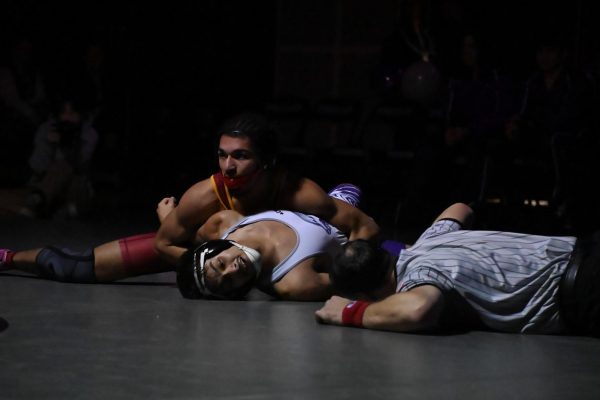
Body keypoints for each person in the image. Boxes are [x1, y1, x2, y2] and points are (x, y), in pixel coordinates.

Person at [1, 112, 380, 283]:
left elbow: (364, 225)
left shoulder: (299, 191)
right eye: (222, 154)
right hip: (195, 248)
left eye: (241, 156)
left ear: (269, 162)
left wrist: (352, 277)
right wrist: (204, 268)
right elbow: (166, 242)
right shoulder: (204, 195)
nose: (227, 166)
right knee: (74, 267)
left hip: (246, 259)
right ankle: (9, 257)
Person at [315, 202, 600, 337]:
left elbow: (417, 310)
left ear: (367, 294)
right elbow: (460, 208)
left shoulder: (418, 280)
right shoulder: (431, 239)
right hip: (586, 249)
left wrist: (350, 312)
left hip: (585, 291)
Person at [176, 209, 348, 301]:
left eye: (221, 264)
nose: (233, 270)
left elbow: (187, 239)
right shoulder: (295, 283)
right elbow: (359, 277)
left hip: (331, 207)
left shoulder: (224, 222)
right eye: (228, 282)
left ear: (216, 248)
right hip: (354, 234)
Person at [20, 92, 98, 218]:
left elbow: (80, 166)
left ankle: (57, 207)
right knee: (57, 169)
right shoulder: (47, 129)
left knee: (65, 168)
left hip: (76, 187)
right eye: (63, 113)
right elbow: (37, 167)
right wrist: (49, 145)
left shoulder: (89, 134)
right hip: (47, 184)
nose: (67, 117)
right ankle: (39, 200)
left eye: (72, 113)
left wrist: (65, 144)